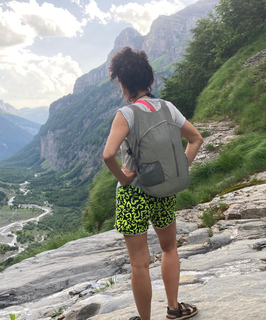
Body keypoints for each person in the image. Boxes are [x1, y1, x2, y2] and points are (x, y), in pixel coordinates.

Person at [102, 47, 204, 320]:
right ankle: (174, 307)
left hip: (133, 194)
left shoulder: (127, 114)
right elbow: (196, 139)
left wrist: (124, 179)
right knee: (169, 247)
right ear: (151, 81)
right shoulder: (168, 108)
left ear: (123, 86)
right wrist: (178, 168)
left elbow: (108, 155)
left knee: (139, 263)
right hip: (163, 190)